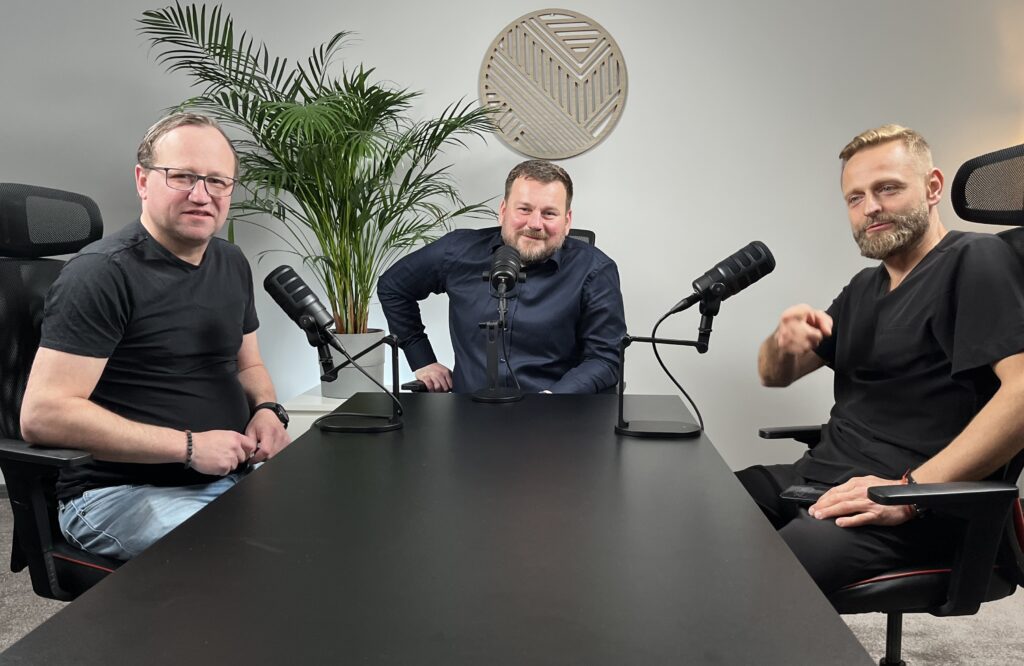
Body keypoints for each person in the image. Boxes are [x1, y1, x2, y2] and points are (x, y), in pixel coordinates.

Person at [741, 124, 1024, 593]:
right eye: (855, 197)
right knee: (699, 507)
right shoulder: (862, 288)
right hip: (820, 477)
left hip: (915, 503)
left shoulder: (977, 259)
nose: (870, 207)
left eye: (887, 188)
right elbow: (776, 376)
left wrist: (910, 493)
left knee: (759, 581)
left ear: (932, 187)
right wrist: (781, 344)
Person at [19, 113, 292, 560]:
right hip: (118, 493)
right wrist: (189, 447)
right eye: (182, 176)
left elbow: (250, 365)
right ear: (143, 181)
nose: (201, 195)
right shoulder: (100, 274)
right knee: (246, 560)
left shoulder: (231, 262)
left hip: (229, 475)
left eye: (217, 181)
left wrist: (266, 409)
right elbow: (43, 415)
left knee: (324, 531)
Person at [378, 159, 626, 394]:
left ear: (567, 220)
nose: (535, 223)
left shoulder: (595, 270)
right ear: (503, 211)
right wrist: (421, 358)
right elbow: (393, 287)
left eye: (549, 213)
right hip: (470, 412)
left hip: (555, 412)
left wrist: (553, 399)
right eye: (524, 209)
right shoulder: (456, 251)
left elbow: (605, 359)